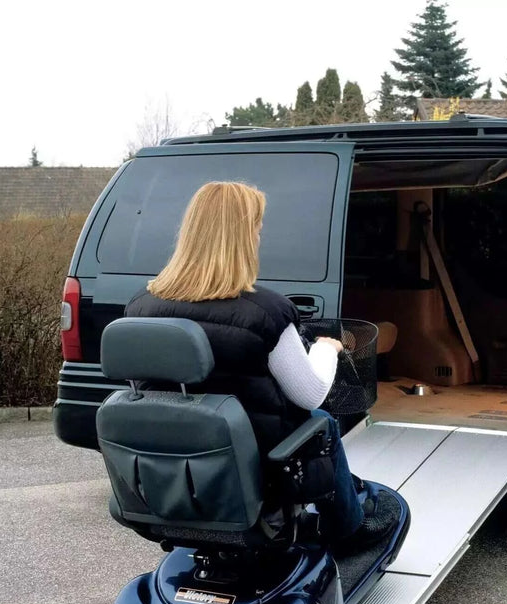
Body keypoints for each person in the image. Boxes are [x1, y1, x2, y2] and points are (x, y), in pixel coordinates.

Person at [125, 180, 393, 551]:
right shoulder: (266, 312)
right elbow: (311, 392)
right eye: (257, 229)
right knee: (322, 422)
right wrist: (326, 348)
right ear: (242, 237)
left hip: (172, 465)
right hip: (256, 467)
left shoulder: (141, 305)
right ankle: (347, 529)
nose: (259, 238)